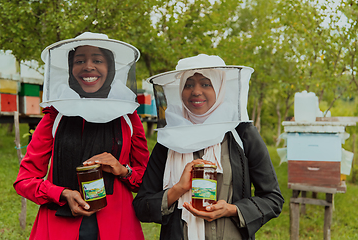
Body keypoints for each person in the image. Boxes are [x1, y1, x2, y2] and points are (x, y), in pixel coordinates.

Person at [14, 32, 149, 240]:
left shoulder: (128, 117)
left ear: (110, 68)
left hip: (118, 225)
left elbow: (145, 179)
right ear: (70, 69)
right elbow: (25, 180)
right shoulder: (54, 116)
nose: (88, 66)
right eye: (79, 60)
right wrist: (61, 193)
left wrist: (123, 170)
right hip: (59, 225)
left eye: (97, 60)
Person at [133, 54, 284, 240]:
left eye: (206, 84)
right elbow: (141, 206)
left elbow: (273, 198)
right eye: (188, 84)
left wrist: (231, 209)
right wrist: (177, 189)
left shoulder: (241, 134)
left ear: (221, 88)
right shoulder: (169, 140)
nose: (196, 91)